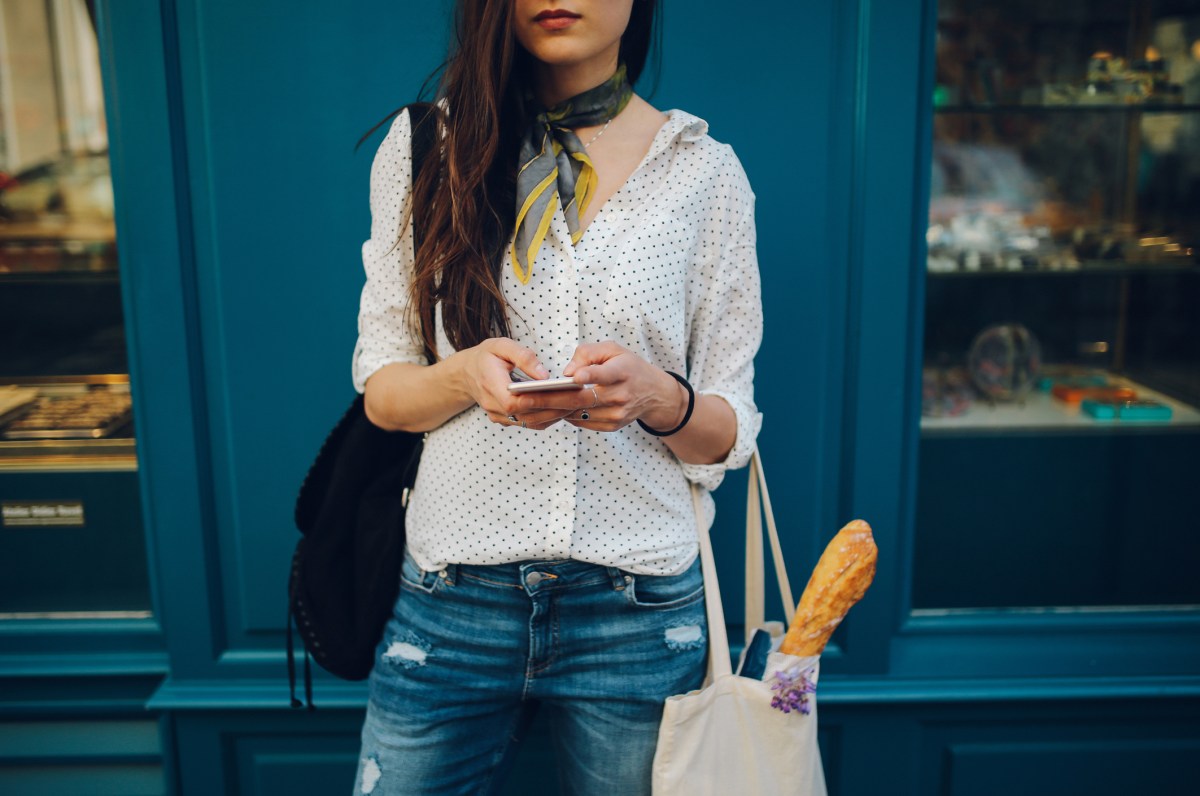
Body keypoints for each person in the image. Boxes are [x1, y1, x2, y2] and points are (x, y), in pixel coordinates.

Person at [351, 1, 762, 793]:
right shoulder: (426, 148)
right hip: (450, 602)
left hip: (636, 613)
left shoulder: (704, 172)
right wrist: (465, 378)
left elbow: (727, 430)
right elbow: (384, 392)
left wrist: (658, 397)